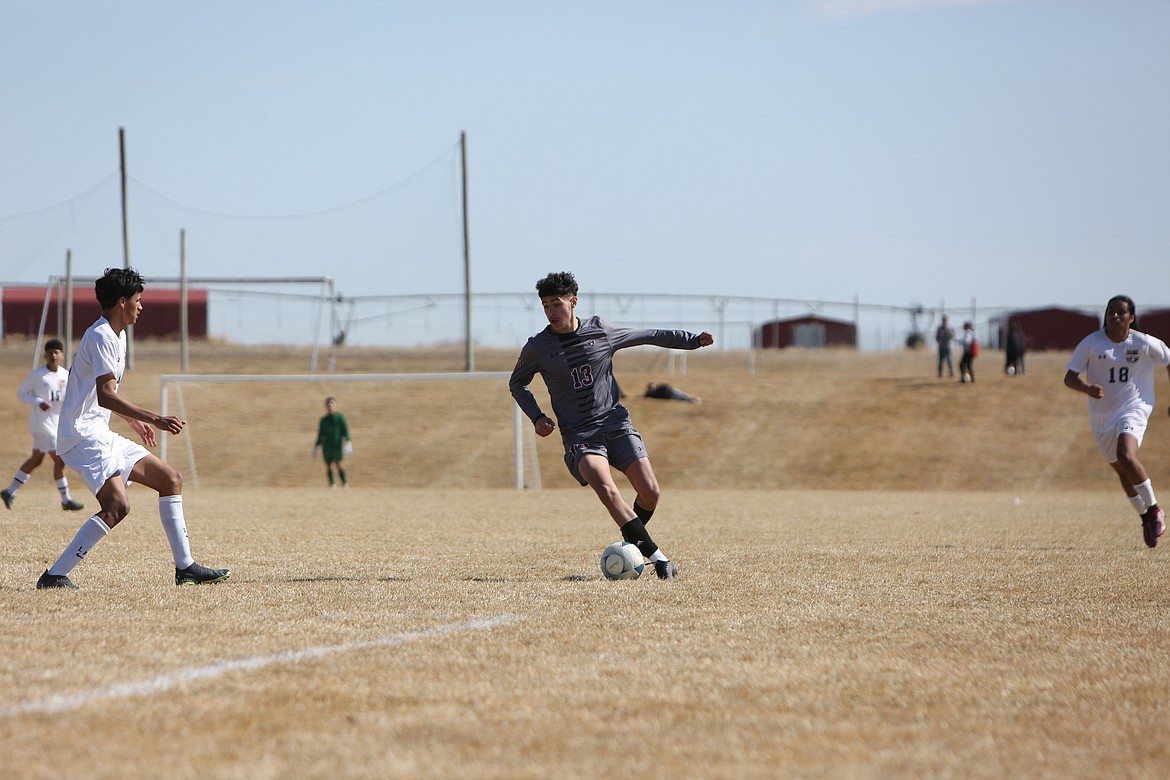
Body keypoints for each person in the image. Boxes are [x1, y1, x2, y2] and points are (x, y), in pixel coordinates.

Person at [509, 271, 714, 580]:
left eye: (557, 303)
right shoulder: (538, 347)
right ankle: (659, 559)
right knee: (605, 487)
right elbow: (517, 383)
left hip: (616, 424)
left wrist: (693, 341)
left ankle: (631, 547)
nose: (552, 311)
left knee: (651, 492)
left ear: (573, 302)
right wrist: (536, 416)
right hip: (580, 435)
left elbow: (649, 335)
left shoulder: (601, 330)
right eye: (545, 305)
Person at [35, 267, 231, 589]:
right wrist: (155, 418)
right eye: (138, 300)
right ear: (122, 301)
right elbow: (106, 394)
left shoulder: (119, 336)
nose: (141, 306)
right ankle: (55, 575)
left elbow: (101, 395)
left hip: (100, 432)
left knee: (170, 479)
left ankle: (186, 568)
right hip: (82, 437)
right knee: (117, 507)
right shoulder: (100, 336)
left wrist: (132, 419)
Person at [1064, 294, 1170, 548]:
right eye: (1111, 311)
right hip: (1101, 417)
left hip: (1134, 409)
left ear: (1131, 318)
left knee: (1126, 454)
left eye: (1121, 312)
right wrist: (1087, 388)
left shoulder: (1143, 343)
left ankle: (1154, 509)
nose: (1114, 316)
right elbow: (1069, 378)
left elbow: (1168, 359)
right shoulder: (1092, 343)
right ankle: (1144, 517)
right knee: (1122, 471)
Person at [1, 339, 85, 512]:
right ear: (45, 355)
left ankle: (9, 492)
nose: (54, 356)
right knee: (60, 458)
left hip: (57, 424)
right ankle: (66, 499)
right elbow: (21, 393)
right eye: (50, 352)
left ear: (62, 355)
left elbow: (71, 397)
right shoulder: (37, 375)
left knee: (36, 460)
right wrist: (38, 401)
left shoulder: (65, 375)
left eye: (57, 352)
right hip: (41, 424)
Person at [314, 396, 352, 488]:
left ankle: (345, 483)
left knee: (338, 464)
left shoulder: (340, 418)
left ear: (335, 405)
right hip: (327, 446)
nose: (330, 405)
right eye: (328, 403)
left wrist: (348, 442)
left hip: (337, 445)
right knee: (328, 465)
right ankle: (332, 484)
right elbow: (321, 434)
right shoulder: (324, 420)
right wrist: (316, 446)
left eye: (332, 403)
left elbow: (345, 431)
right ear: (326, 406)